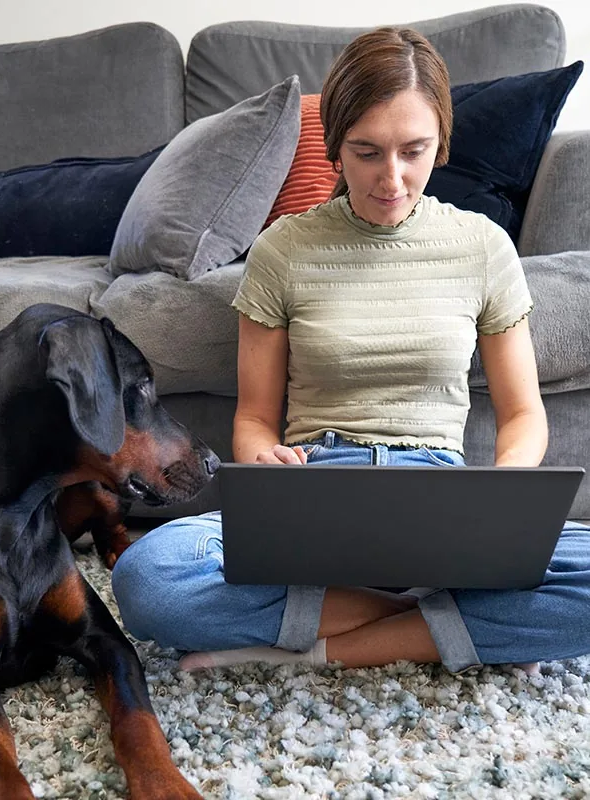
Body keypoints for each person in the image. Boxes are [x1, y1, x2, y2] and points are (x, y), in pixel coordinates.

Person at [111, 27, 590, 676]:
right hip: (317, 483)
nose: (390, 179)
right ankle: (449, 620)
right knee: (148, 576)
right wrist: (265, 463)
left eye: (413, 151)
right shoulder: (285, 248)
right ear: (335, 145)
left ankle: (329, 646)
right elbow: (253, 417)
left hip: (442, 494)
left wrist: (502, 497)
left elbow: (523, 413)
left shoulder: (482, 247)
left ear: (440, 144)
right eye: (366, 152)